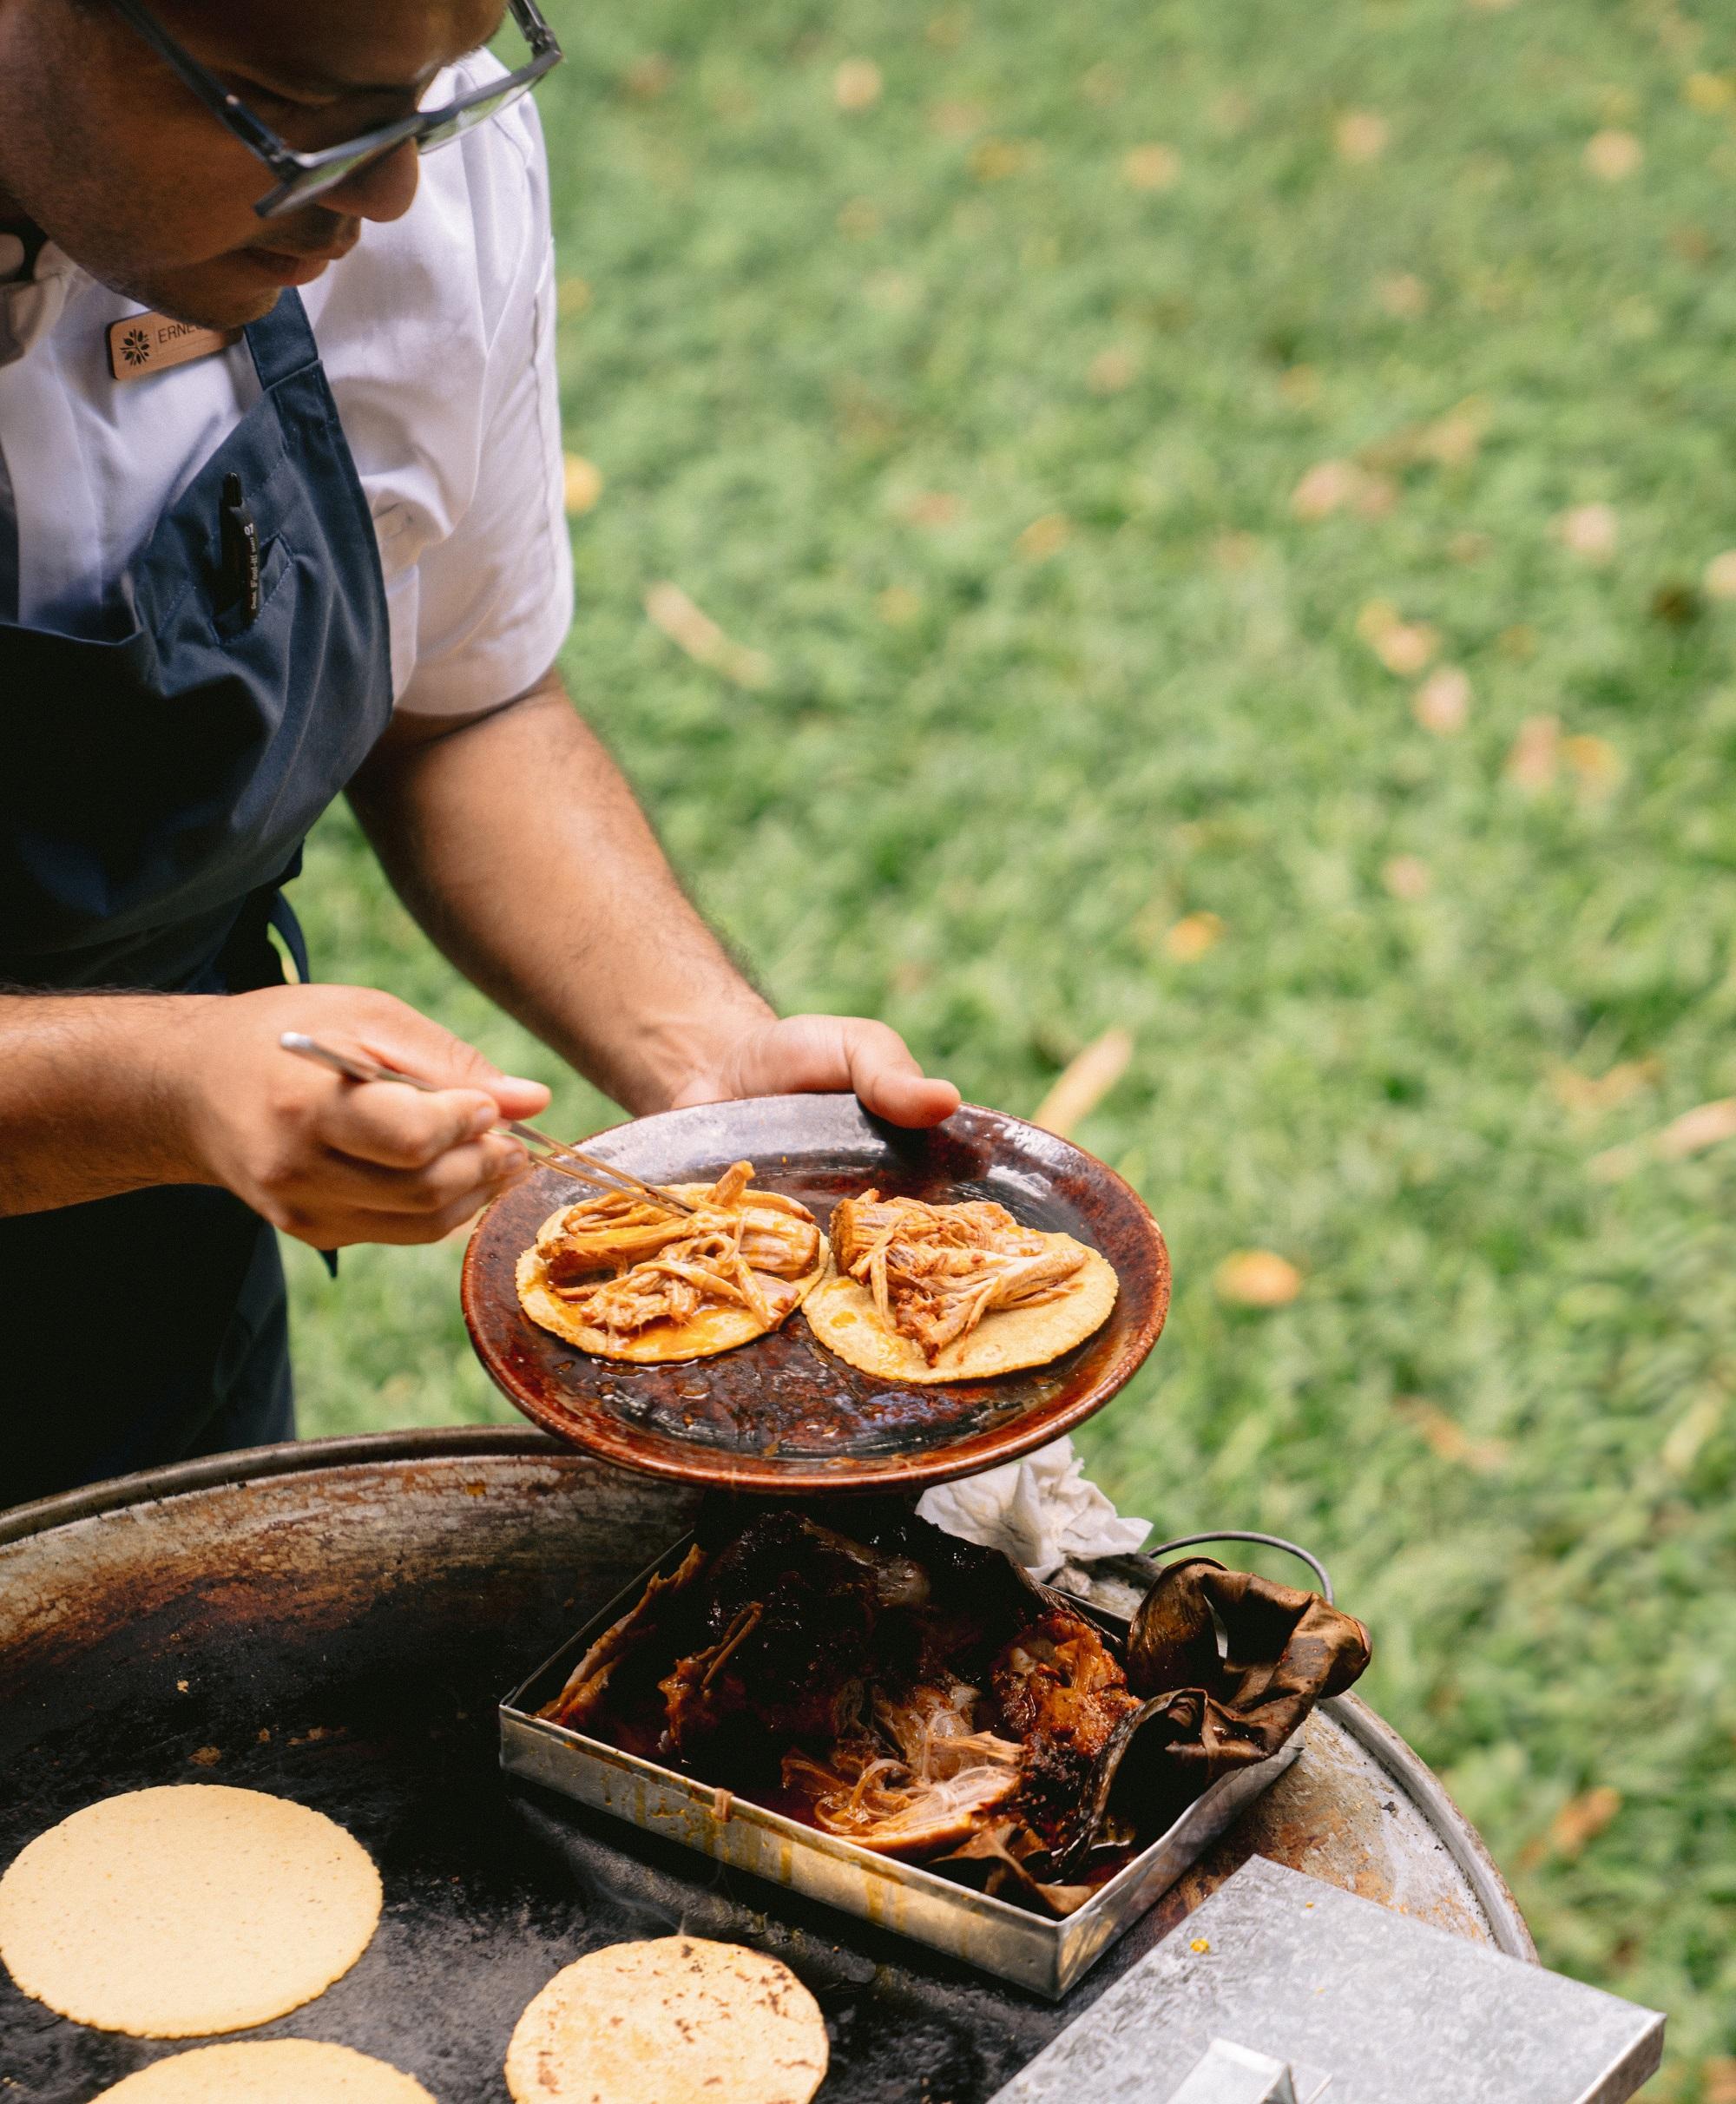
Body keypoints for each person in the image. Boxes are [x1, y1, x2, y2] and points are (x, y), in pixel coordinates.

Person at [0, 0, 959, 1506]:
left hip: (158, 1278)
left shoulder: (413, 171)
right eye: (285, 110)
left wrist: (701, 1060)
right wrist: (155, 1086)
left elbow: (462, 702)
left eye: (429, 94)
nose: (382, 195)